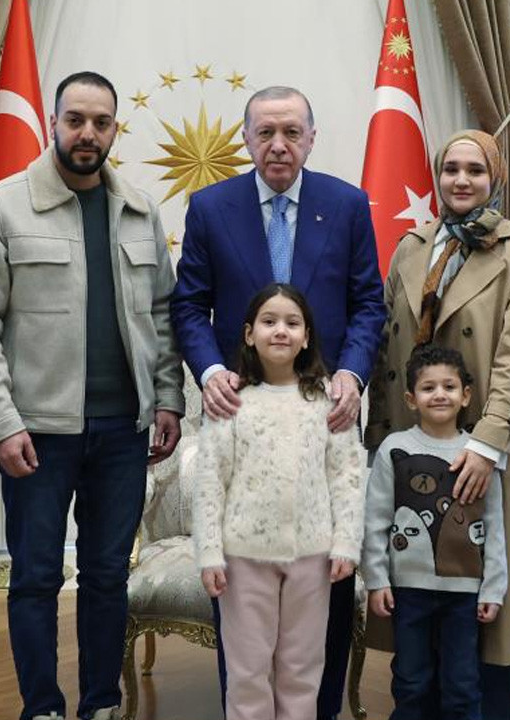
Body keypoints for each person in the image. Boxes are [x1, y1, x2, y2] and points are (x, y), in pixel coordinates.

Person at [0, 71, 184, 720]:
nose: (88, 133)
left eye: (101, 122)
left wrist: (168, 398)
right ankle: (43, 708)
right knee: (34, 577)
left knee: (108, 576)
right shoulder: (2, 207)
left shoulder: (139, 210)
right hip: (36, 434)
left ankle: (100, 704)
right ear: (54, 123)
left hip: (123, 432)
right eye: (75, 119)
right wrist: (1, 422)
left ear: (114, 129)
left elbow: (162, 316)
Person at [171, 85, 385, 720]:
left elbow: (368, 303)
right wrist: (210, 370)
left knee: (322, 613)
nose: (279, 145)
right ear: (246, 139)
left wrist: (352, 375)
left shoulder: (346, 205)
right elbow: (190, 304)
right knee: (244, 629)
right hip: (240, 409)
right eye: (265, 132)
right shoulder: (211, 208)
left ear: (312, 139)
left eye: (292, 131)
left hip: (327, 407)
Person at [365, 129, 510, 719]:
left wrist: (487, 443)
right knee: (419, 607)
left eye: (475, 170)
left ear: (495, 178)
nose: (462, 180)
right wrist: (377, 439)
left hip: (489, 450)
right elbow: (386, 353)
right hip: (413, 447)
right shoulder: (411, 248)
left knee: (490, 613)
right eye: (451, 169)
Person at [191, 283, 366, 720]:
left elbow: (346, 476)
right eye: (269, 322)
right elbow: (210, 481)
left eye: (292, 322)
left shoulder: (327, 400)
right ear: (249, 334)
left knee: (302, 670)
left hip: (313, 558)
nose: (281, 331)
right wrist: (209, 553)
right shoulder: (231, 401)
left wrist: (346, 543)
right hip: (244, 559)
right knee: (247, 672)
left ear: (307, 337)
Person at [363, 343, 506, 720]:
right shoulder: (394, 449)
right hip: (408, 592)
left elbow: (494, 526)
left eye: (449, 386)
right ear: (411, 399)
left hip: (465, 595)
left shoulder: (480, 456)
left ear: (466, 395)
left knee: (462, 685)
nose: (439, 394)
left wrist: (493, 588)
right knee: (411, 682)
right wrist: (377, 579)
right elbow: (376, 520)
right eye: (428, 388)